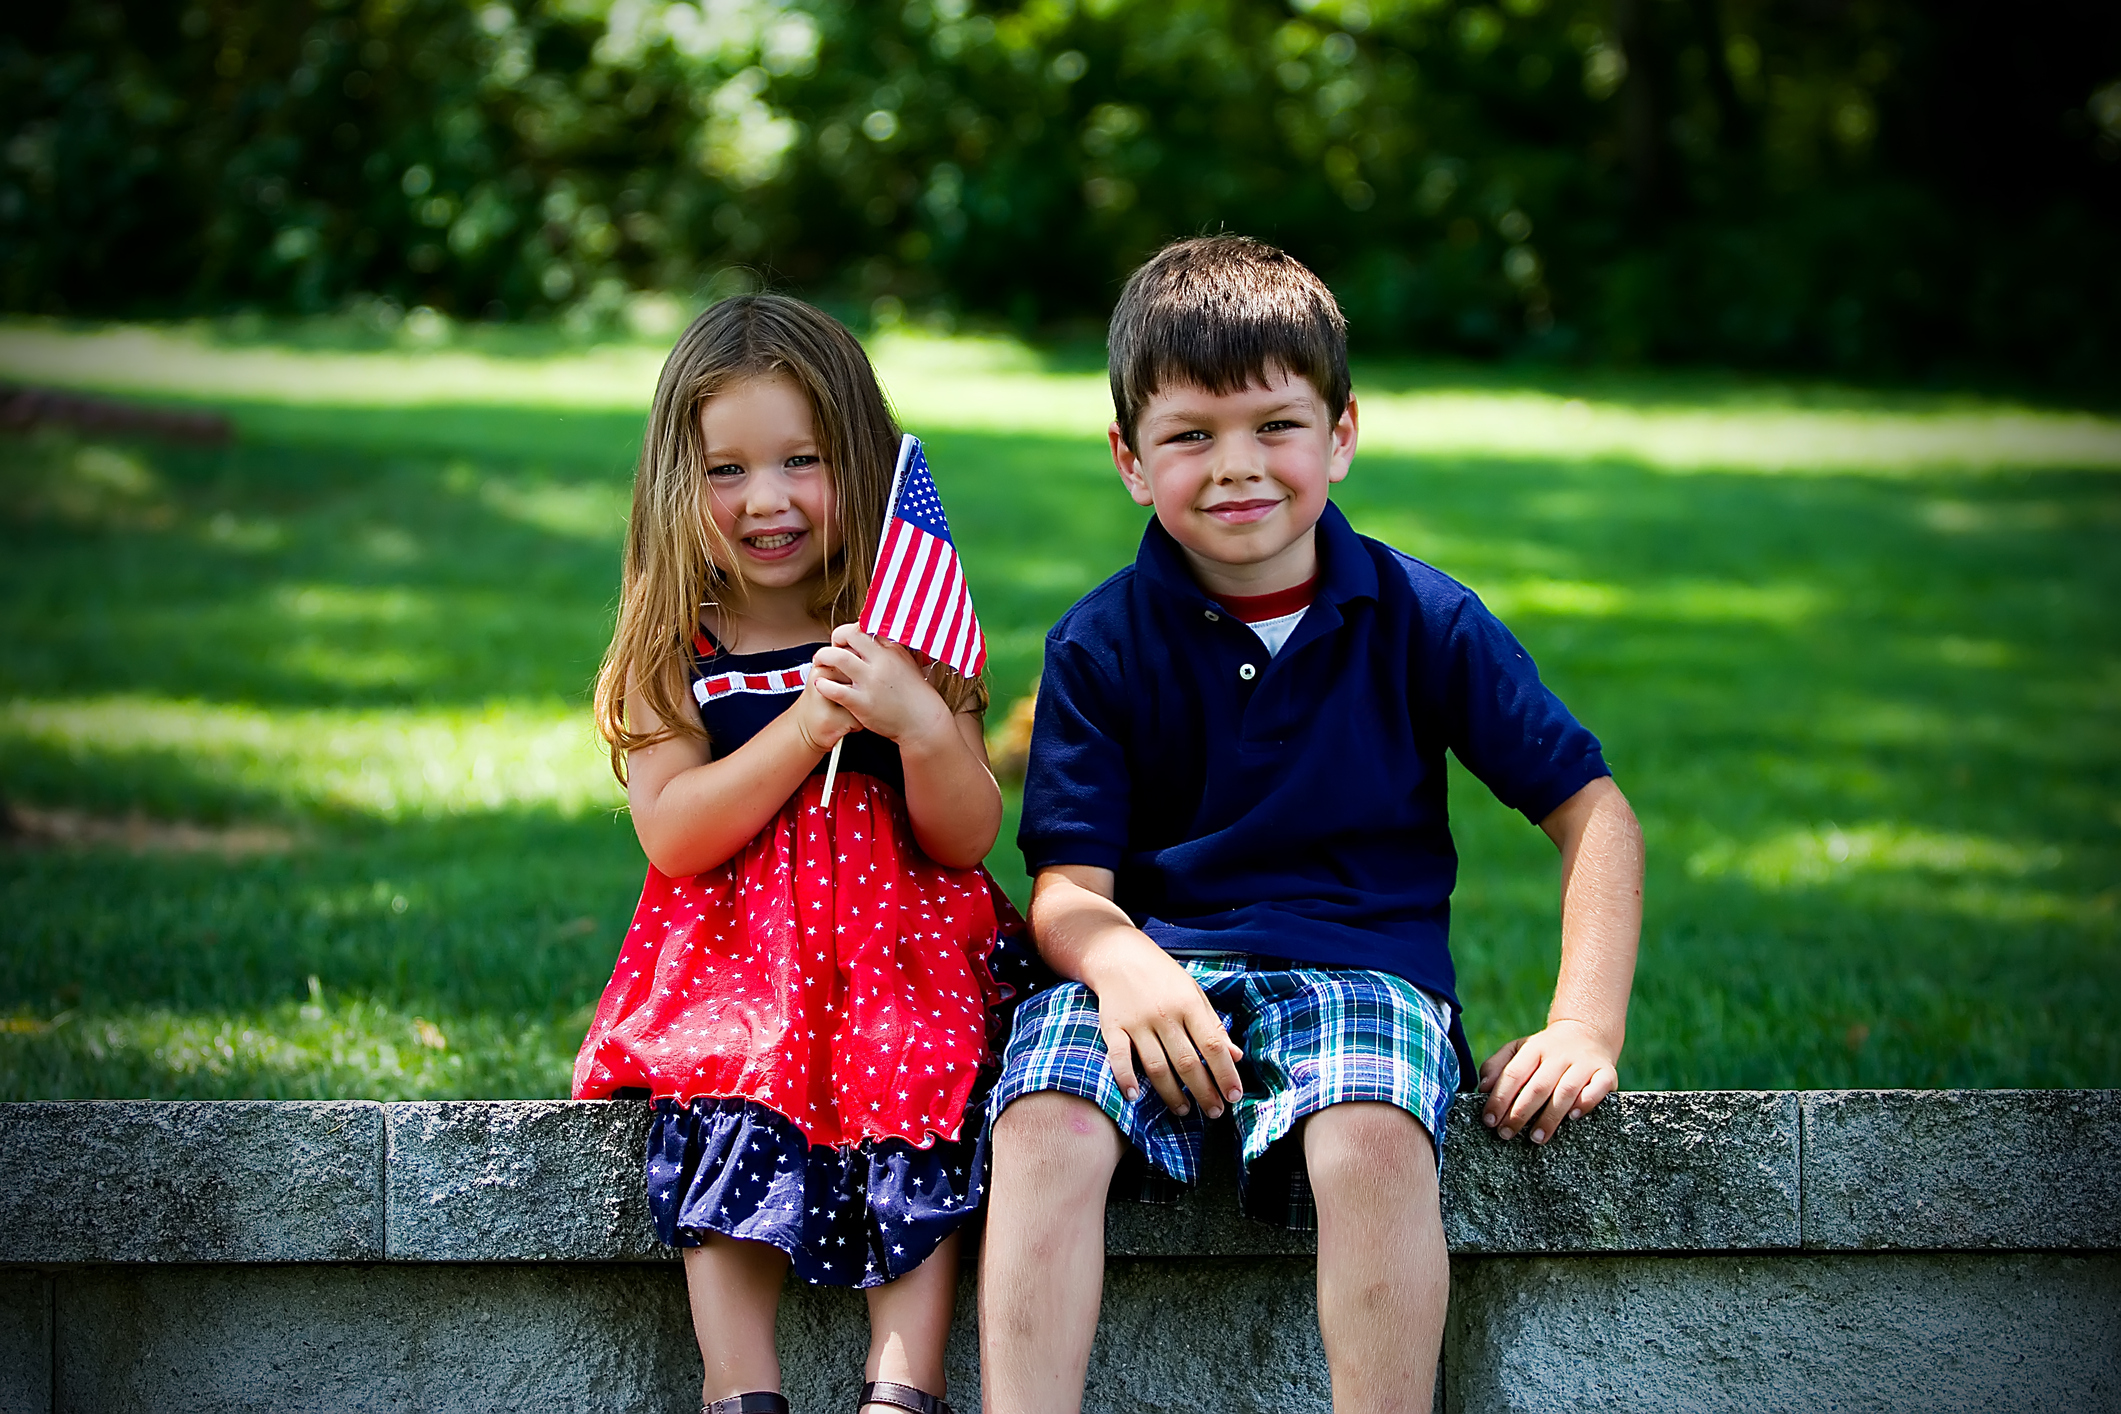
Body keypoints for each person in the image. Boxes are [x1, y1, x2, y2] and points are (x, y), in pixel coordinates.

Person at [977, 236, 1645, 1413]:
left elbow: (1593, 809)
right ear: (1131, 461)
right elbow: (1069, 891)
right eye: (1190, 436)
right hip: (1152, 979)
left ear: (1341, 433)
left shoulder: (1424, 618)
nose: (1237, 468)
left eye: (1275, 426)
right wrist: (1122, 959)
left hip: (1361, 968)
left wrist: (1583, 1024)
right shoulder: (1100, 644)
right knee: (1040, 1119)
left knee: (1371, 1134)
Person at [574, 294, 1014, 1414]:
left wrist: (916, 720)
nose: (766, 500)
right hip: (733, 960)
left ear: (856, 460)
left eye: (801, 460)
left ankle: (903, 1384)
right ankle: (740, 1386)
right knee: (726, 1087)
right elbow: (674, 832)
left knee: (918, 1084)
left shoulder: (898, 617)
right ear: (681, 482)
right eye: (727, 470)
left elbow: (966, 836)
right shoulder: (676, 637)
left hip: (896, 952)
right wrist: (807, 730)